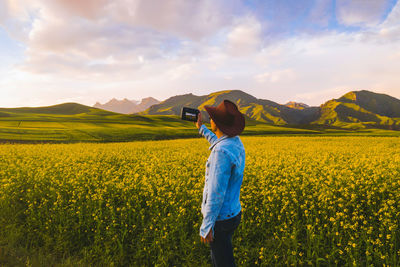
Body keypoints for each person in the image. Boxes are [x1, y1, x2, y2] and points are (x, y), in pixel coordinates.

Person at [195, 99, 246, 267]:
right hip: (233, 213)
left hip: (221, 219)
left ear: (216, 123)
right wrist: (202, 128)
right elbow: (218, 141)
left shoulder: (221, 153)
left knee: (222, 262)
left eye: (212, 119)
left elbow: (215, 193)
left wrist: (207, 225)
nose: (210, 120)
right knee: (223, 254)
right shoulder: (235, 142)